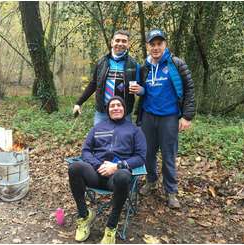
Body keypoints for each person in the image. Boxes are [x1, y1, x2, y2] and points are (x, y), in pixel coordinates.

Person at [68, 96, 147, 243]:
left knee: (123, 176)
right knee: (74, 167)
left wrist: (117, 166)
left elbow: (141, 157)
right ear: (107, 110)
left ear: (124, 109)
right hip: (96, 173)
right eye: (112, 106)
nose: (116, 108)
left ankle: (111, 227)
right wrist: (98, 165)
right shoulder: (98, 128)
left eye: (119, 105)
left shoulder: (135, 131)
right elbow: (85, 151)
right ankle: (84, 216)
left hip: (117, 178)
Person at [136, 29, 195, 208]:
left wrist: (186, 116)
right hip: (148, 116)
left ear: (165, 45)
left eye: (159, 44)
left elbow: (189, 89)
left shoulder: (176, 64)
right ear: (147, 46)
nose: (156, 47)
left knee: (169, 155)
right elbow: (142, 89)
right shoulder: (144, 67)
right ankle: (151, 182)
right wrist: (139, 90)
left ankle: (171, 192)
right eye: (152, 44)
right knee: (148, 153)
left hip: (169, 117)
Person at [72, 30, 144, 125]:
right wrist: (79, 103)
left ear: (128, 44)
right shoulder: (101, 62)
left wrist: (140, 90)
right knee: (100, 138)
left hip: (124, 112)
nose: (120, 43)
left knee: (123, 139)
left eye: (124, 41)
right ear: (112, 42)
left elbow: (141, 89)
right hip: (103, 112)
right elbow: (93, 84)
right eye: (117, 40)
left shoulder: (134, 65)